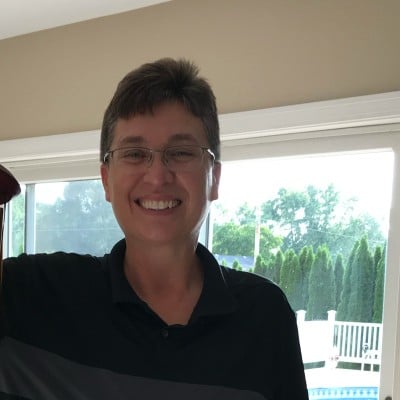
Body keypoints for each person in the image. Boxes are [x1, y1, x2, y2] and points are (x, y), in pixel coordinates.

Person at [0, 58, 309, 399]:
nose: (158, 176)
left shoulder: (266, 316)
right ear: (106, 179)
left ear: (214, 178)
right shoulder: (26, 293)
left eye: (180, 153)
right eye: (134, 153)